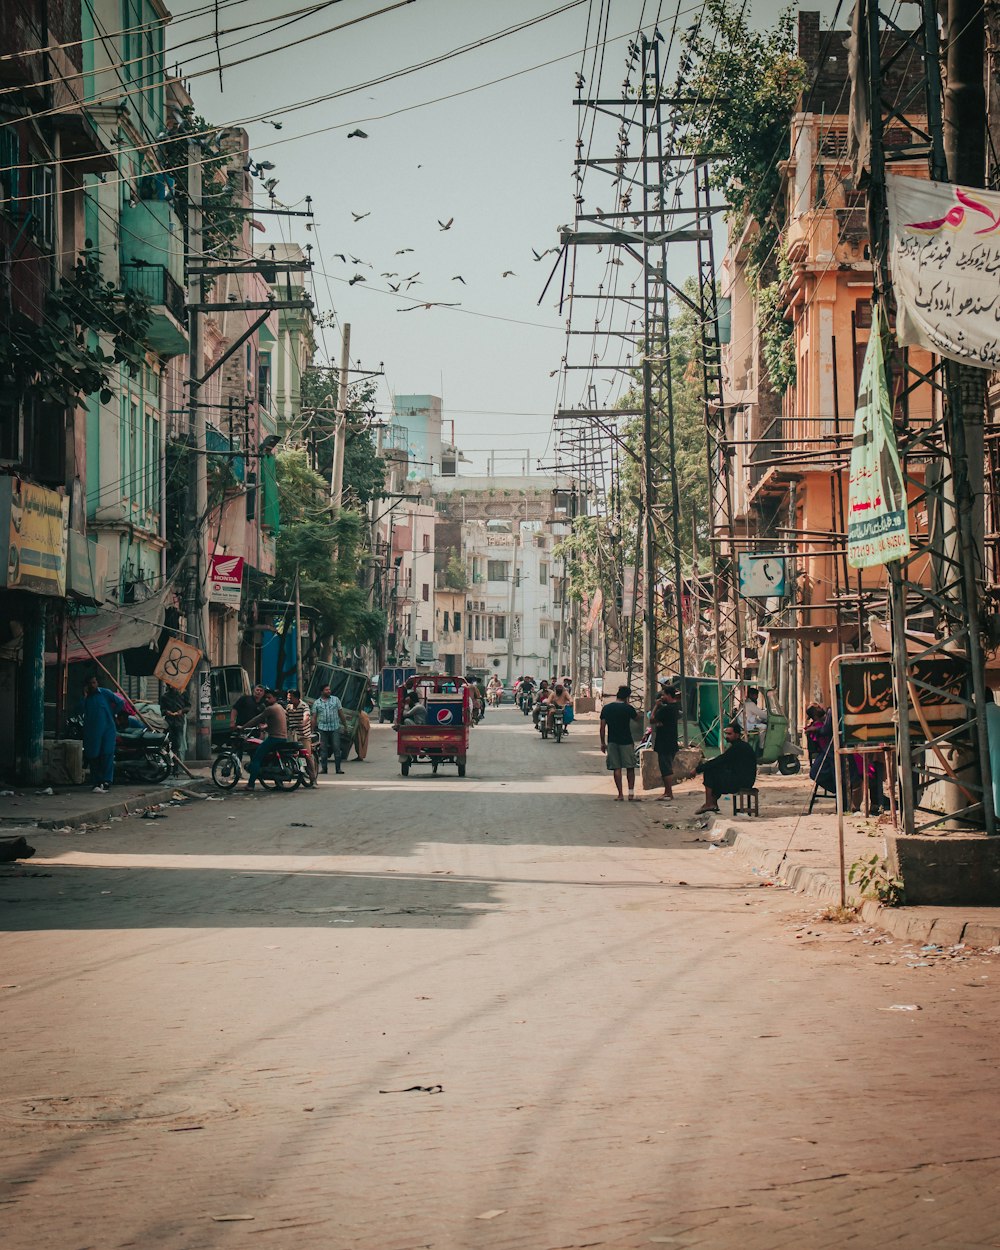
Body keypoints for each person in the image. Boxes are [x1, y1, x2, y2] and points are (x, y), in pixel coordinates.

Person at [694, 721, 757, 814]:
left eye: (729, 734)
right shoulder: (740, 746)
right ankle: (713, 803)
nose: (727, 736)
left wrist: (697, 769)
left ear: (737, 735)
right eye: (726, 734)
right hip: (744, 779)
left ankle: (709, 803)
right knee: (715, 772)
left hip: (742, 781)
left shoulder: (738, 747)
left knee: (709, 772)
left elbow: (720, 760)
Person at [79, 675, 126, 793]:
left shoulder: (105, 693)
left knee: (107, 754)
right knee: (93, 756)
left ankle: (107, 780)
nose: (93, 685)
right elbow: (80, 710)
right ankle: (97, 781)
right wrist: (84, 697)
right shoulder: (86, 698)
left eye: (94, 682)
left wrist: (112, 713)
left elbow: (120, 702)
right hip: (92, 732)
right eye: (90, 683)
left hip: (107, 730)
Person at [600, 685, 641, 801]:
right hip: (627, 741)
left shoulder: (607, 708)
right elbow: (637, 718)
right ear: (627, 697)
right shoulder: (628, 708)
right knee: (630, 767)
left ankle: (620, 794)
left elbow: (602, 727)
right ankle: (631, 793)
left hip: (612, 741)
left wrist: (603, 743)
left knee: (616, 768)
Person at [242, 690, 288, 790]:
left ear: (275, 698)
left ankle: (250, 785)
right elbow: (275, 724)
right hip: (283, 738)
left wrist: (243, 727)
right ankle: (279, 783)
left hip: (274, 738)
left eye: (269, 697)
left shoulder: (271, 709)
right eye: (266, 697)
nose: (267, 699)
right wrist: (265, 728)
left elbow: (256, 719)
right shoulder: (280, 707)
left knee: (256, 758)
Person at [650, 683, 680, 801]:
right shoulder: (675, 707)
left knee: (665, 768)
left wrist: (656, 707)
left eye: (664, 695)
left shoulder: (665, 709)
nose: (662, 697)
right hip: (671, 741)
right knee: (667, 766)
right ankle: (667, 792)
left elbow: (652, 719)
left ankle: (669, 793)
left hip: (664, 742)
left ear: (668, 695)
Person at [312, 683, 345, 775]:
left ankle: (338, 769)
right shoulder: (317, 703)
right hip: (322, 729)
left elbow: (340, 713)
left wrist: (345, 725)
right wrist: (312, 729)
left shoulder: (336, 700)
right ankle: (324, 768)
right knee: (323, 749)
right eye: (326, 690)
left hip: (335, 727)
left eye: (329, 689)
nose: (329, 691)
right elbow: (314, 717)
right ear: (322, 692)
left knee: (336, 748)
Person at [285, 689, 316, 782]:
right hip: (292, 735)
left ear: (296, 698)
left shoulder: (304, 706)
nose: (288, 699)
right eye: (288, 697)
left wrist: (303, 723)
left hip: (303, 736)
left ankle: (313, 778)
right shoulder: (288, 707)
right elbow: (286, 718)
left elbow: (306, 716)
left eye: (290, 697)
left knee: (308, 756)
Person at [159, 683, 190, 775]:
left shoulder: (183, 693)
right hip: (169, 723)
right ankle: (171, 766)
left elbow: (188, 706)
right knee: (170, 746)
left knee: (178, 745)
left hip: (179, 722)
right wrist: (167, 712)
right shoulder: (164, 697)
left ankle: (177, 767)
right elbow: (162, 710)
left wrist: (182, 711)